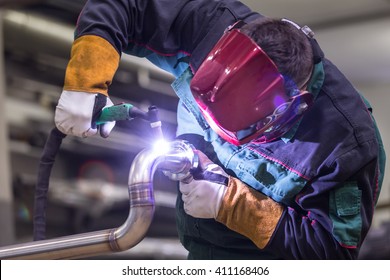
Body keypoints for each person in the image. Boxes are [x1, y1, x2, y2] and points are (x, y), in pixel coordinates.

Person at [54, 0, 386, 259]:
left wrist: (232, 204)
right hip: (199, 250)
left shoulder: (346, 145)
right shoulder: (210, 27)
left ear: (292, 107)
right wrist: (87, 81)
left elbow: (332, 251)